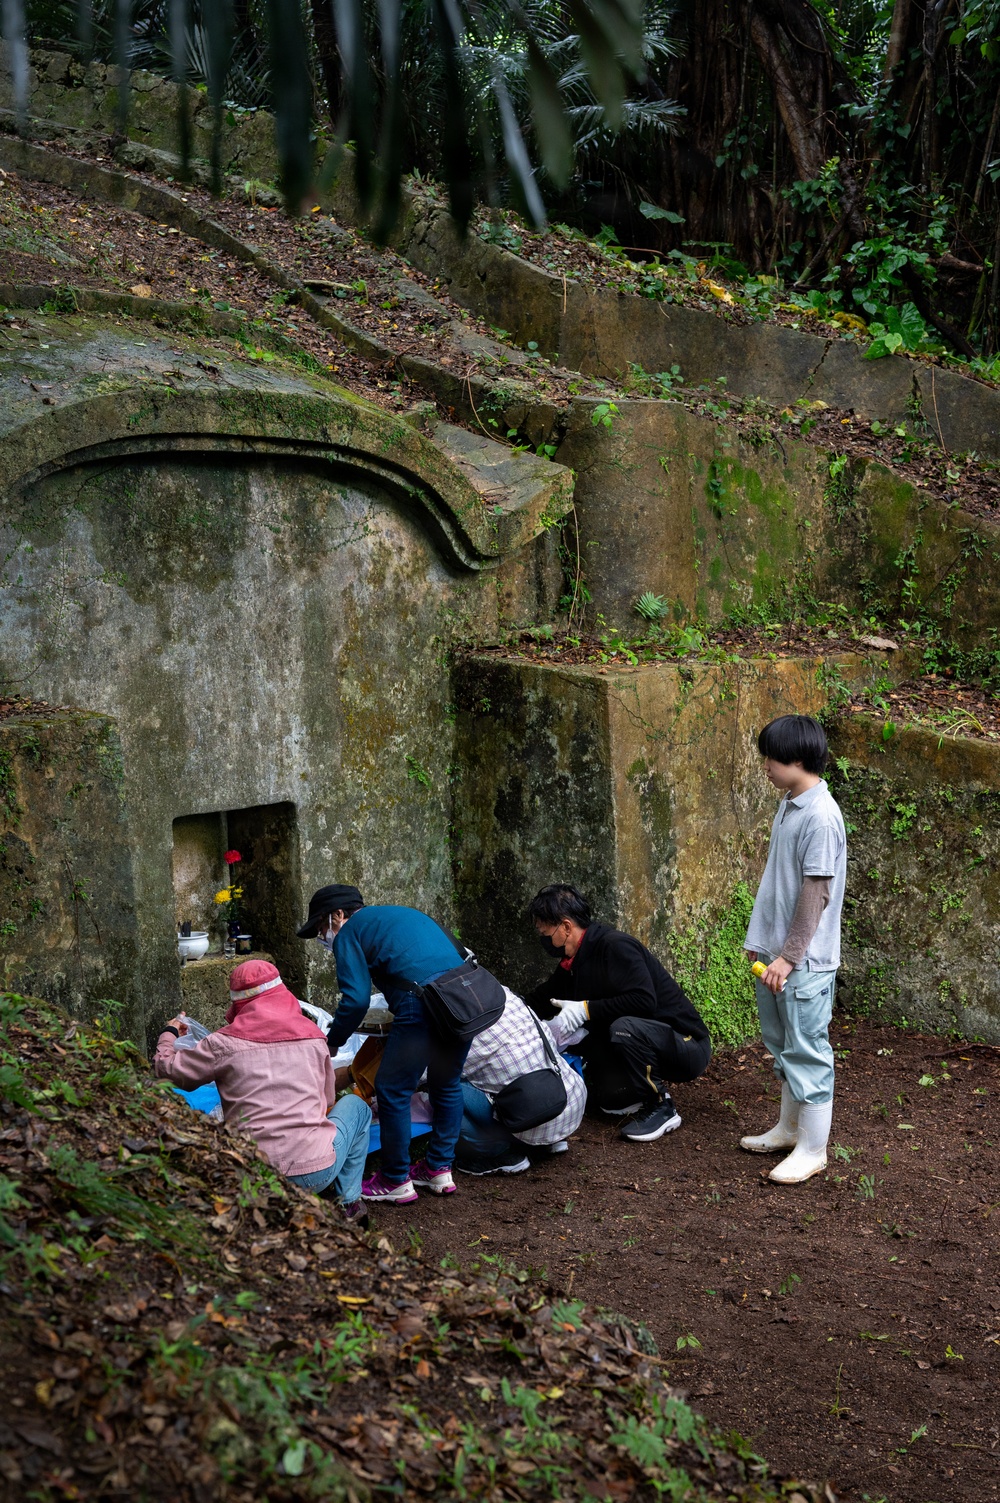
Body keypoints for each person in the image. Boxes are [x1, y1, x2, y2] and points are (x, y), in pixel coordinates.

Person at [152, 959, 372, 1219]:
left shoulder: (222, 1043)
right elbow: (326, 1100)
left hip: (249, 1173)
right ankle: (349, 1204)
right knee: (357, 1106)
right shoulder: (314, 1037)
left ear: (238, 1003)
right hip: (314, 1174)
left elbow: (168, 1071)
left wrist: (169, 1033)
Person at [298, 883, 470, 1204]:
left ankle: (394, 1179)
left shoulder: (350, 933)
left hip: (421, 1003)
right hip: (461, 999)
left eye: (322, 927)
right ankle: (438, 1169)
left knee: (392, 1089)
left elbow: (355, 1000)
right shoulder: (401, 915)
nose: (323, 936)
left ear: (338, 915)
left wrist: (331, 1044)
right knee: (446, 1082)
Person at [742, 713, 847, 1184]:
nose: (765, 765)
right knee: (783, 1046)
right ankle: (788, 1130)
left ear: (798, 759)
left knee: (808, 1051)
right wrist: (761, 944)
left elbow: (815, 894)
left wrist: (789, 956)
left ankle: (813, 1148)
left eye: (772, 757)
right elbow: (778, 885)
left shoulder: (821, 816)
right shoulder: (791, 802)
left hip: (801, 963)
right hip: (776, 954)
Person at [525, 884, 711, 1141]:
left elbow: (644, 1001)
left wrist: (585, 1010)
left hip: (687, 1045)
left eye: (546, 933)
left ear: (566, 927)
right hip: (651, 1042)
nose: (544, 940)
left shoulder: (615, 946)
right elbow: (543, 997)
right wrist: (509, 1009)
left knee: (623, 1027)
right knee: (608, 1097)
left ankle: (661, 1106)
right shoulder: (575, 962)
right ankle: (630, 1093)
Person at [456, 988, 587, 1175]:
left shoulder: (463, 1032)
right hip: (570, 1103)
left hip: (530, 1119)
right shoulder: (505, 994)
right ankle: (551, 1142)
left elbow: (419, 1075)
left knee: (442, 1088)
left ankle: (498, 1154)